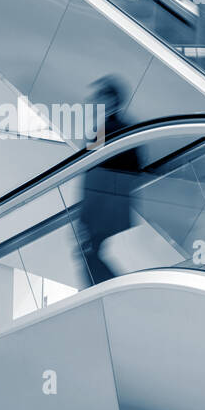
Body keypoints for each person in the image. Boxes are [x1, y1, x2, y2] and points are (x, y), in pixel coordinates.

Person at [77, 77, 141, 284]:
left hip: (100, 220)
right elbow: (136, 172)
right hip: (120, 216)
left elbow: (92, 179)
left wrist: (84, 219)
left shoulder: (102, 133)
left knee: (95, 273)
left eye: (99, 98)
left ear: (110, 100)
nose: (94, 103)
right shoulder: (130, 129)